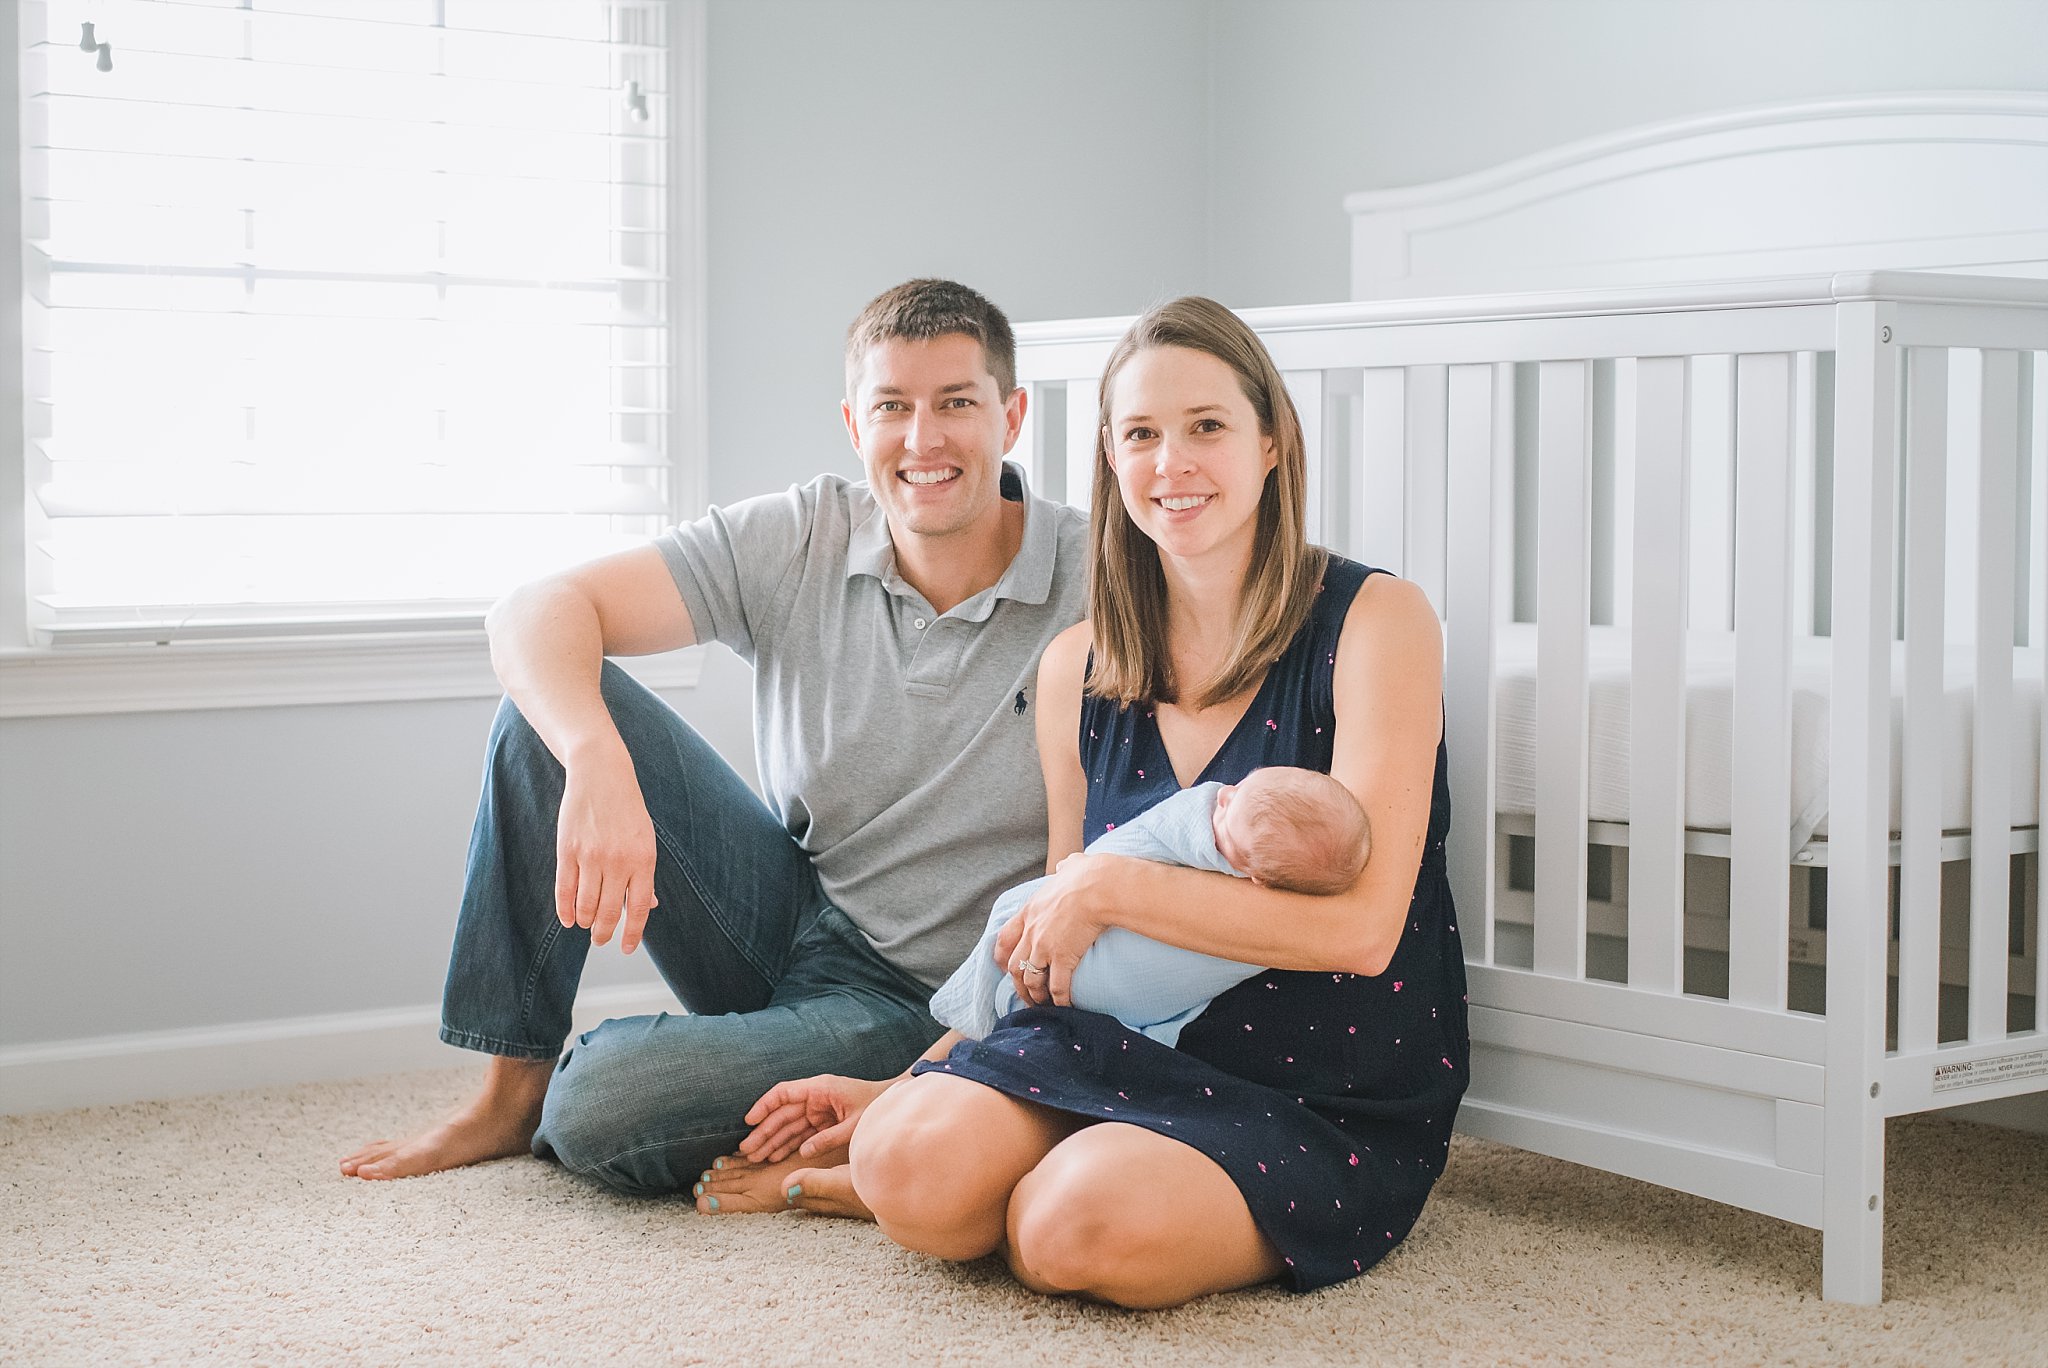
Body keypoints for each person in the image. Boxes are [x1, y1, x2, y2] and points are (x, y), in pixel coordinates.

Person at [719, 295, 1467, 1307]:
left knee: (1071, 1232)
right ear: (1111, 461)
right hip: (1100, 1044)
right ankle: (985, 1160)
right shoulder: (1077, 665)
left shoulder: (1376, 620)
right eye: (1140, 435)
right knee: (906, 1161)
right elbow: (1052, 947)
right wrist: (908, 1081)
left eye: (1206, 426)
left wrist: (1109, 886)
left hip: (1309, 1082)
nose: (1173, 463)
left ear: (1271, 444)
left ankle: (1044, 1182)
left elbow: (1365, 929)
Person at [339, 279, 1088, 1207]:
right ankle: (505, 1097)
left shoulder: (1096, 578)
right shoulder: (805, 533)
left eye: (957, 404)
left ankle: (879, 1120)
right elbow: (531, 611)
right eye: (893, 406)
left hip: (920, 1000)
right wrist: (597, 760)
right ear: (855, 425)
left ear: (1010, 417)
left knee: (603, 1104)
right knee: (552, 718)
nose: (923, 440)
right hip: (792, 913)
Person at [929, 766, 1370, 1045]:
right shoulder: (1256, 841)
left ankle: (989, 1016)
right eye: (1239, 787)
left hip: (1099, 991)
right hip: (1069, 971)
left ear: (1257, 879)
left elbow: (1150, 845)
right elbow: (1076, 886)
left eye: (1224, 822)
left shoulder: (1274, 914)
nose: (1220, 796)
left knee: (1018, 920)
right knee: (1028, 922)